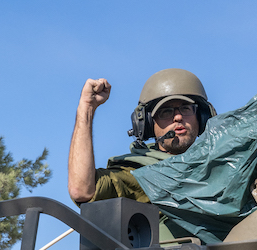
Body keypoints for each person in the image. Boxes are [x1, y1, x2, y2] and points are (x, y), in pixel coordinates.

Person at [67, 68, 216, 207]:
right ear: (148, 124)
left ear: (202, 117)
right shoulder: (144, 175)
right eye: (166, 112)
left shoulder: (222, 163)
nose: (178, 117)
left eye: (186, 108)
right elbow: (81, 190)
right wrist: (87, 107)